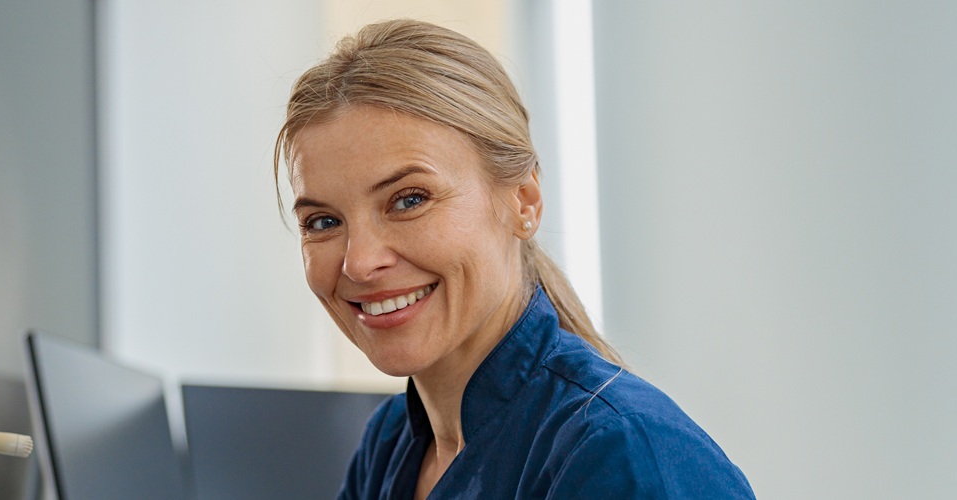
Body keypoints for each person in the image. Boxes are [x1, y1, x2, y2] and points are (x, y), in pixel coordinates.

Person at [275, 19, 755, 499]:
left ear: (522, 202)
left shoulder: (622, 453)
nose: (359, 263)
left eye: (409, 200)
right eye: (323, 222)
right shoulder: (389, 442)